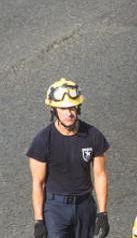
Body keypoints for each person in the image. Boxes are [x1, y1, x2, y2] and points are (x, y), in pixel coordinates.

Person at [27, 78, 110, 238]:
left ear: (78, 108)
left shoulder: (93, 136)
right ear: (53, 110)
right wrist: (38, 221)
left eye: (72, 107)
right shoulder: (43, 141)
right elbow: (38, 183)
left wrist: (102, 213)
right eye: (63, 108)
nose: (69, 113)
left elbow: (100, 175)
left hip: (85, 206)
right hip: (55, 210)